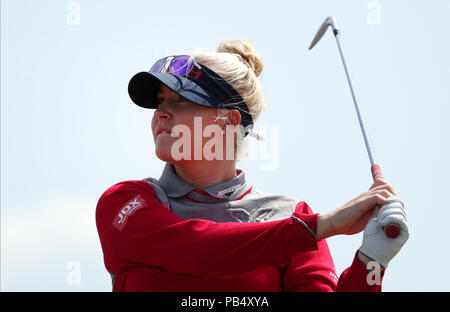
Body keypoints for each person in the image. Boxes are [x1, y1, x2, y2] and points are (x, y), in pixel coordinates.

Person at [95, 40, 409, 292]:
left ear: (227, 121)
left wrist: (372, 260)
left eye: (181, 101)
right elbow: (198, 251)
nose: (160, 113)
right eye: (160, 101)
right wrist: (321, 226)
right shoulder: (125, 202)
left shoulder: (289, 217)